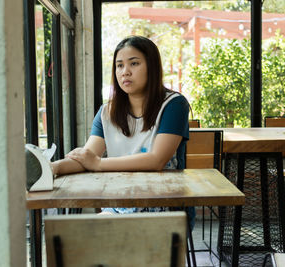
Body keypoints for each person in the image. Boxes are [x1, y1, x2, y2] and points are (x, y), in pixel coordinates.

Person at [27, 35, 194, 226]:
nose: (125, 72)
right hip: (119, 205)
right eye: (119, 65)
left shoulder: (173, 105)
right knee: (74, 237)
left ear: (152, 67)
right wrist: (52, 169)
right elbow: (87, 157)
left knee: (87, 238)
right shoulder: (107, 112)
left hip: (165, 208)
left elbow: (157, 160)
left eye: (134, 64)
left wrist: (98, 163)